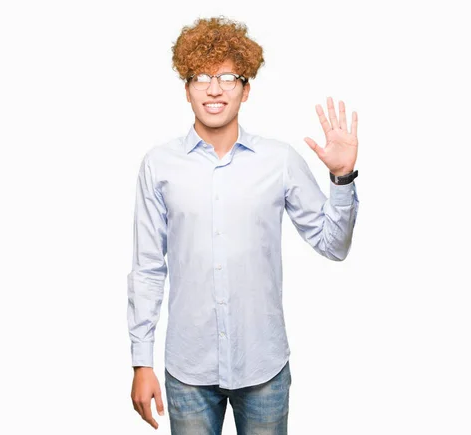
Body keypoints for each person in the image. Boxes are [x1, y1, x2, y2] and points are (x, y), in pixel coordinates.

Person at [127, 16, 360, 434]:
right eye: (201, 77)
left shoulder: (279, 160)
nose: (214, 89)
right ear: (186, 88)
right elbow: (147, 269)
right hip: (189, 371)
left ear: (246, 88)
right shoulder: (158, 165)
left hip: (264, 366)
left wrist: (342, 179)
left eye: (228, 77)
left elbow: (333, 245)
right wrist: (141, 360)